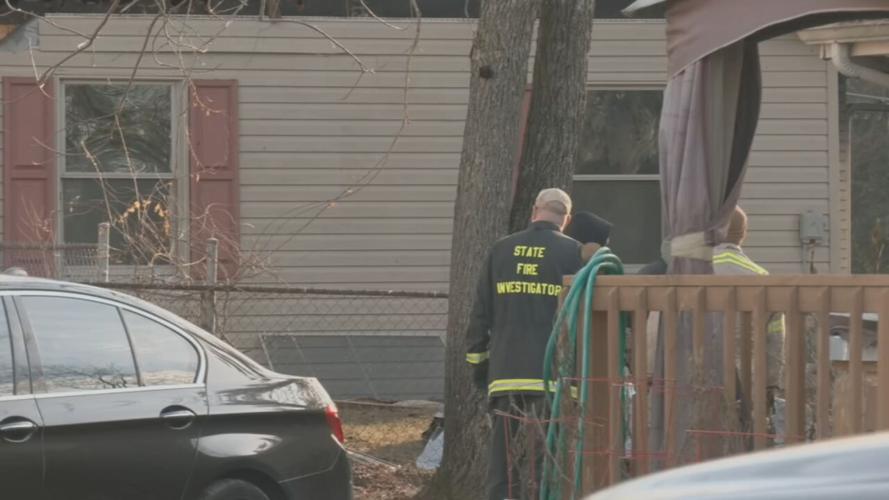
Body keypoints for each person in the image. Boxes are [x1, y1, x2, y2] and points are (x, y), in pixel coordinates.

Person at [466, 188, 585, 500]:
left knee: (501, 460)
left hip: (505, 373)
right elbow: (583, 320)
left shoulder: (501, 250)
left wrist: (480, 368)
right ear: (567, 219)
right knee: (546, 460)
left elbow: (480, 314)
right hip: (553, 377)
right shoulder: (574, 253)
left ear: (535, 210)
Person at [713, 206, 786, 441]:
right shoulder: (761, 277)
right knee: (744, 436)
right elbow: (775, 340)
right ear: (743, 234)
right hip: (747, 380)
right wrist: (770, 385)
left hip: (694, 374)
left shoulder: (692, 271)